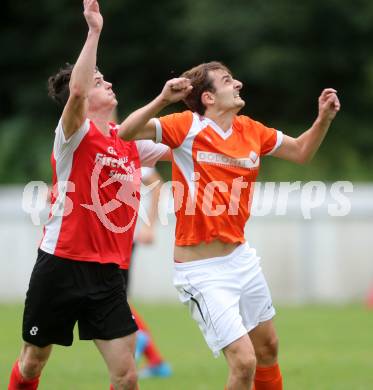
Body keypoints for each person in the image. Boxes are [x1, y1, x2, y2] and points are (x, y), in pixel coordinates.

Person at [118, 61, 340, 390]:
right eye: (227, 80)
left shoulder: (251, 130)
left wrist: (324, 120)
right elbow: (125, 132)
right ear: (208, 97)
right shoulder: (186, 126)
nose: (237, 84)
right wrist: (163, 100)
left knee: (268, 349)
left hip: (241, 259)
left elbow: (301, 151)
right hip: (201, 271)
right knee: (244, 361)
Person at [7, 1, 172, 389]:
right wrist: (94, 31)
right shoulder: (73, 136)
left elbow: (181, 148)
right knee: (33, 363)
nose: (108, 84)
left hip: (109, 272)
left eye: (104, 79)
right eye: (100, 81)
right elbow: (78, 91)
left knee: (127, 375)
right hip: (61, 265)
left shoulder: (128, 141)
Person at [127, 167, 172, 379]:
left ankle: (137, 336)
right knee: (115, 296)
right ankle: (155, 360)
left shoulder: (126, 143)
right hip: (111, 236)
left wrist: (148, 226)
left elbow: (157, 185)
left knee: (106, 295)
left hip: (120, 237)